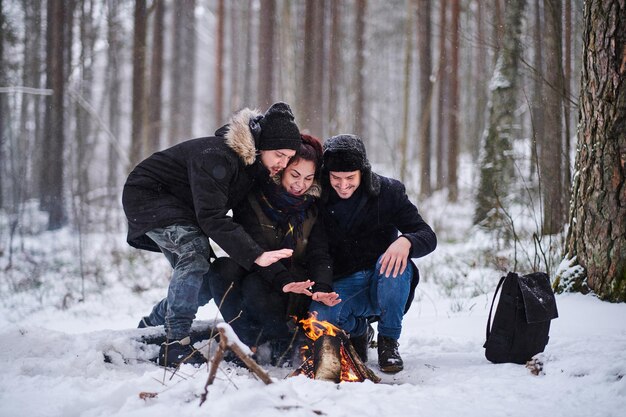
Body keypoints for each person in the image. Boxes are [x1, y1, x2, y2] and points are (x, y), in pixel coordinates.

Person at [122, 102, 302, 367]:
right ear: (262, 146)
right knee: (194, 256)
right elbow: (211, 217)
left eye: (289, 157)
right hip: (148, 196)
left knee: (204, 278)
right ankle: (175, 342)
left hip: (183, 209)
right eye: (280, 154)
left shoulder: (250, 170)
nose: (283, 163)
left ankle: (151, 325)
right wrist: (256, 255)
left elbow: (242, 220)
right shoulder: (217, 155)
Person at [309, 134, 437, 374]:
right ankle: (359, 329)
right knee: (318, 316)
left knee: (394, 264)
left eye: (350, 178)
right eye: (336, 178)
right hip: (347, 282)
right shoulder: (319, 199)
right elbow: (319, 250)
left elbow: (426, 234)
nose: (343, 185)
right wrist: (323, 287)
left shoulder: (388, 192)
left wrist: (407, 241)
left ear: (363, 172)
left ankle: (388, 341)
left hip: (387, 279)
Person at [209, 134, 340, 365]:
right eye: (295, 175)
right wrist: (280, 278)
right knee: (222, 270)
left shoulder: (313, 207)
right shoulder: (253, 197)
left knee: (257, 287)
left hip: (295, 282)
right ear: (280, 170)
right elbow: (254, 246)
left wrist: (322, 287)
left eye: (309, 178)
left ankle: (283, 339)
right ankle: (244, 341)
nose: (301, 185)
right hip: (258, 269)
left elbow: (320, 253)